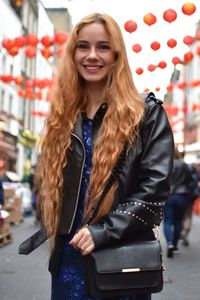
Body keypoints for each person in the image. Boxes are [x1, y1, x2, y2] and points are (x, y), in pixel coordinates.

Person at [29, 13, 173, 300]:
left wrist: (104, 231)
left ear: (117, 54)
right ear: (73, 53)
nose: (92, 55)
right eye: (83, 46)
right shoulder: (64, 116)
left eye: (103, 47)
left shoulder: (146, 113)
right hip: (70, 258)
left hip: (119, 257)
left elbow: (154, 189)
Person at [163, 149, 192, 258]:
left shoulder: (166, 163)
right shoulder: (183, 165)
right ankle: (175, 245)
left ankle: (169, 243)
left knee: (167, 222)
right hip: (181, 195)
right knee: (178, 222)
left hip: (168, 196)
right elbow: (190, 179)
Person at [181, 163, 200, 246]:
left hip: (183, 196)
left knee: (183, 215)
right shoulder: (195, 175)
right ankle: (186, 230)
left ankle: (183, 230)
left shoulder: (183, 175)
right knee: (189, 215)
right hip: (191, 197)